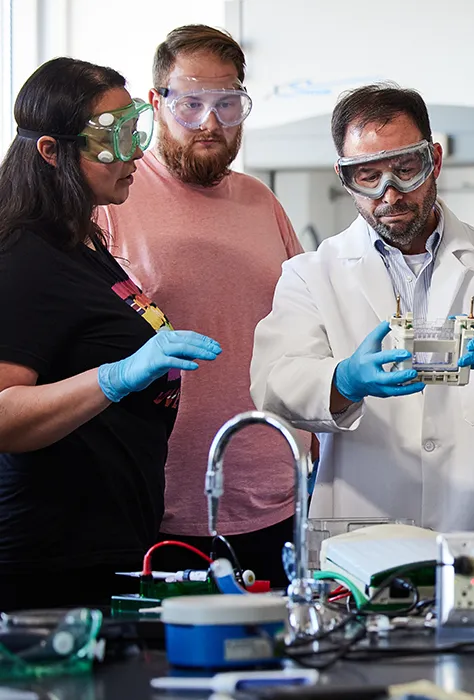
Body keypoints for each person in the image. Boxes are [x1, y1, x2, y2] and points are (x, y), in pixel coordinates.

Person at [250, 83, 474, 532]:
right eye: (367, 176)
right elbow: (273, 387)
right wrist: (344, 379)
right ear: (344, 177)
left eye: (404, 169)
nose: (390, 194)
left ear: (434, 159)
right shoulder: (311, 275)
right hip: (364, 533)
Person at [0, 57, 221, 611]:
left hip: (109, 542)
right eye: (114, 138)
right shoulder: (23, 256)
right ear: (51, 151)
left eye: (135, 129)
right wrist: (117, 376)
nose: (135, 154)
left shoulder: (84, 244)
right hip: (47, 562)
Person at [95, 25, 310, 587]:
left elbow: (306, 327)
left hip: (276, 490)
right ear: (155, 103)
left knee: (281, 668)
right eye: (190, 103)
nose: (210, 123)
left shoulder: (261, 201)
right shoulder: (110, 198)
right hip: (159, 497)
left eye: (228, 104)